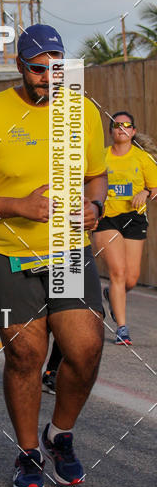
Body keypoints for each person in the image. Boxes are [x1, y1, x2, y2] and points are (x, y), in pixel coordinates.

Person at [0, 24, 107, 487]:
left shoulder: (81, 112)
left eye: (56, 68)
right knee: (25, 354)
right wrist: (21, 206)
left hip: (66, 250)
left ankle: (59, 434)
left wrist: (95, 207)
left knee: (84, 347)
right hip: (7, 252)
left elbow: (96, 176)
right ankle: (27, 452)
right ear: (20, 66)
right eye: (38, 70)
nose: (48, 78)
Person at [93, 111, 157, 346]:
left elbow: (155, 187)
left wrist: (147, 192)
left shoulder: (142, 159)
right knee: (118, 273)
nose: (121, 128)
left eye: (126, 125)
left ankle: (112, 294)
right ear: (110, 131)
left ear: (133, 131)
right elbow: (86, 185)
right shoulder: (100, 158)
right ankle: (122, 328)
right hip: (107, 219)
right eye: (116, 125)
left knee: (131, 278)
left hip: (134, 218)